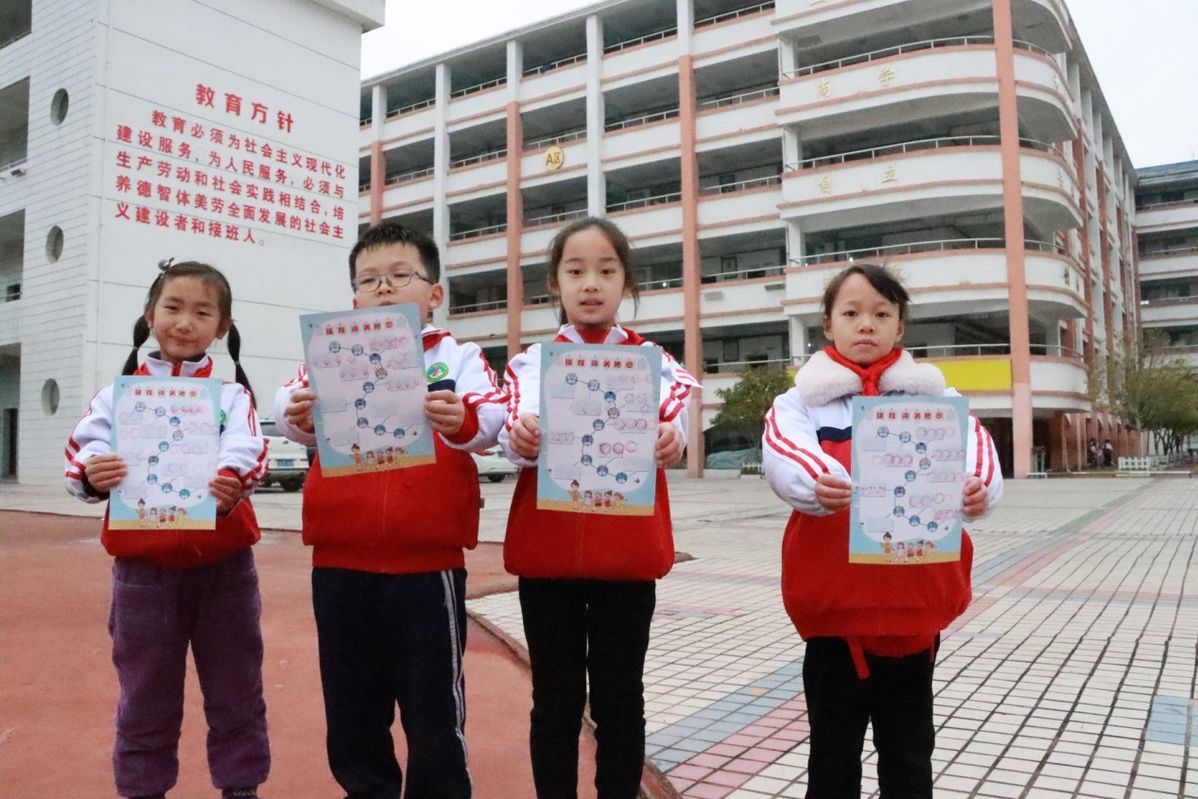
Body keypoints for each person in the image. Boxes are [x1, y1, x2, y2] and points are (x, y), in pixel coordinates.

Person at [274, 222, 506, 799]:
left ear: (434, 294)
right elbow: (288, 409)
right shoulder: (329, 350)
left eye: (400, 276)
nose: (382, 289)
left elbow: (492, 418)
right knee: (352, 708)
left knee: (433, 712)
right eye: (369, 280)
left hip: (427, 566)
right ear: (353, 295)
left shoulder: (459, 356)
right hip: (340, 561)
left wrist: (464, 421)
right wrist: (295, 414)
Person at [762, 263, 1003, 798]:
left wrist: (976, 488)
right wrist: (815, 481)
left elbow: (976, 452)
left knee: (910, 755)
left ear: (900, 328)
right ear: (828, 325)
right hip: (835, 620)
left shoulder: (937, 402)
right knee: (832, 757)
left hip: (912, 618)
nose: (865, 324)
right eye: (851, 313)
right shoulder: (799, 403)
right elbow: (783, 451)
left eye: (881, 313)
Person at [499, 217, 699, 798]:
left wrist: (672, 440)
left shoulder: (657, 364)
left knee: (621, 699)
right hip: (549, 559)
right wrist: (521, 437)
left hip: (626, 560)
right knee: (554, 700)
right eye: (575, 270)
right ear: (554, 285)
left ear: (626, 282)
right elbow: (506, 430)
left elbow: (677, 422)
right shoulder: (528, 365)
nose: (591, 284)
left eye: (607, 271)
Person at [64, 260, 270, 799]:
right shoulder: (117, 396)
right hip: (142, 573)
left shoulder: (232, 397)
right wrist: (92, 473)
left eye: (203, 312)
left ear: (221, 328)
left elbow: (247, 449)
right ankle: (142, 788)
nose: (185, 322)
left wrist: (232, 480)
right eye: (172, 308)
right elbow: (84, 448)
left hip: (225, 571)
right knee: (145, 693)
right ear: (149, 315)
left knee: (236, 688)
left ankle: (240, 786)